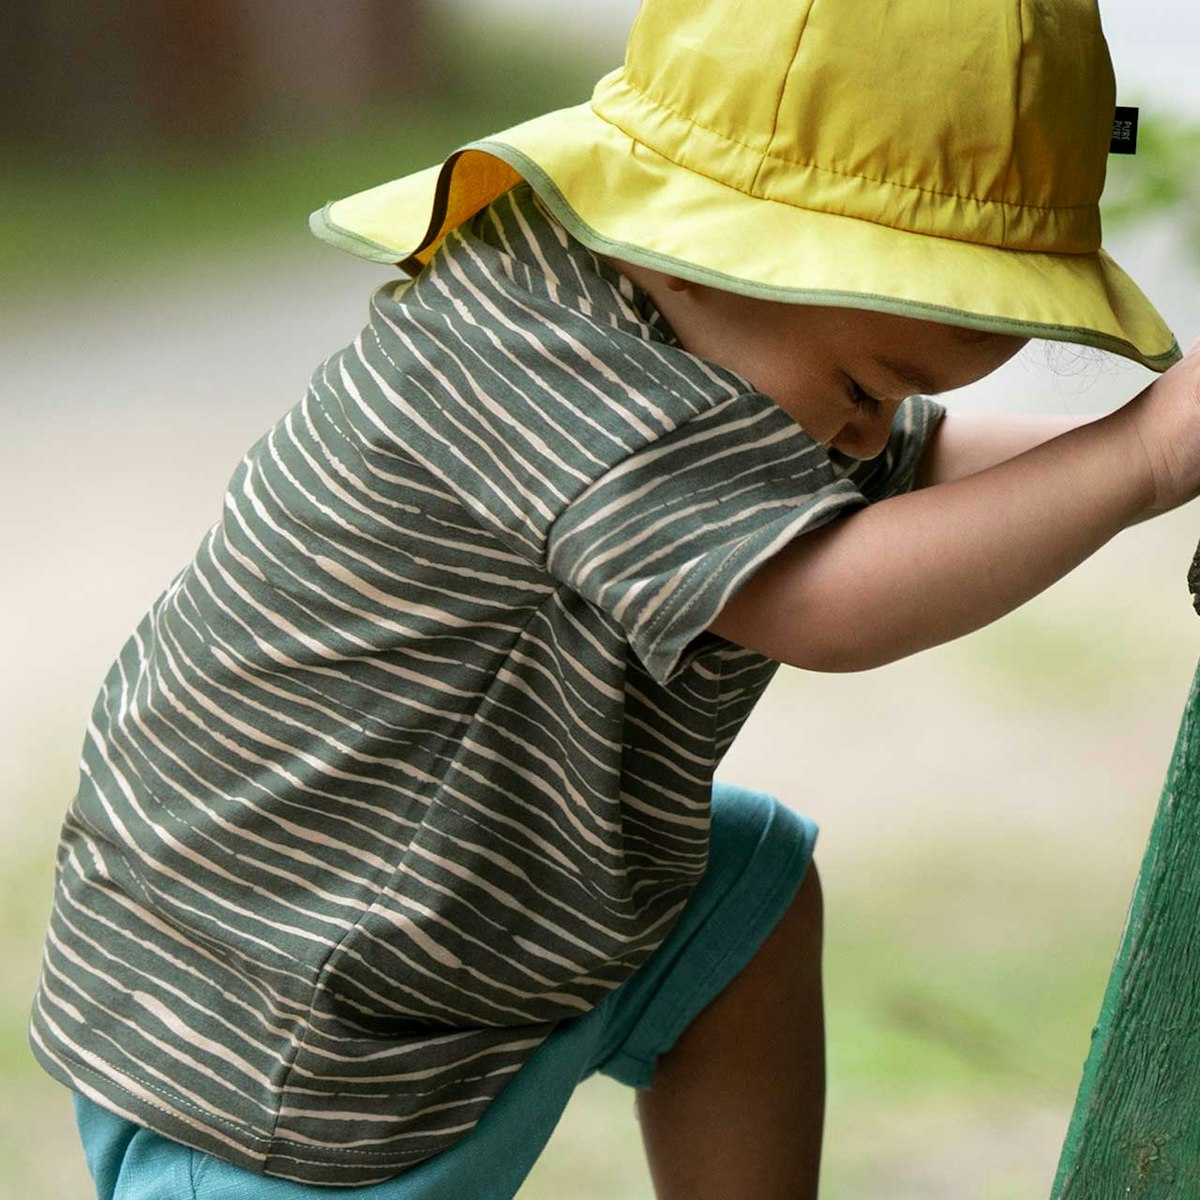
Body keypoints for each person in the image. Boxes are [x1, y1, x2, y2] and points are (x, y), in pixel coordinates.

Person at [29, 0, 1198, 1197]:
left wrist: (1145, 457)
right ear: (712, 238)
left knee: (741, 901)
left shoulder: (717, 334)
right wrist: (1140, 458)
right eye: (864, 384)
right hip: (297, 1032)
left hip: (499, 924)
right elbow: (828, 601)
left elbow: (926, 471)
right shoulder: (547, 359)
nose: (872, 432)